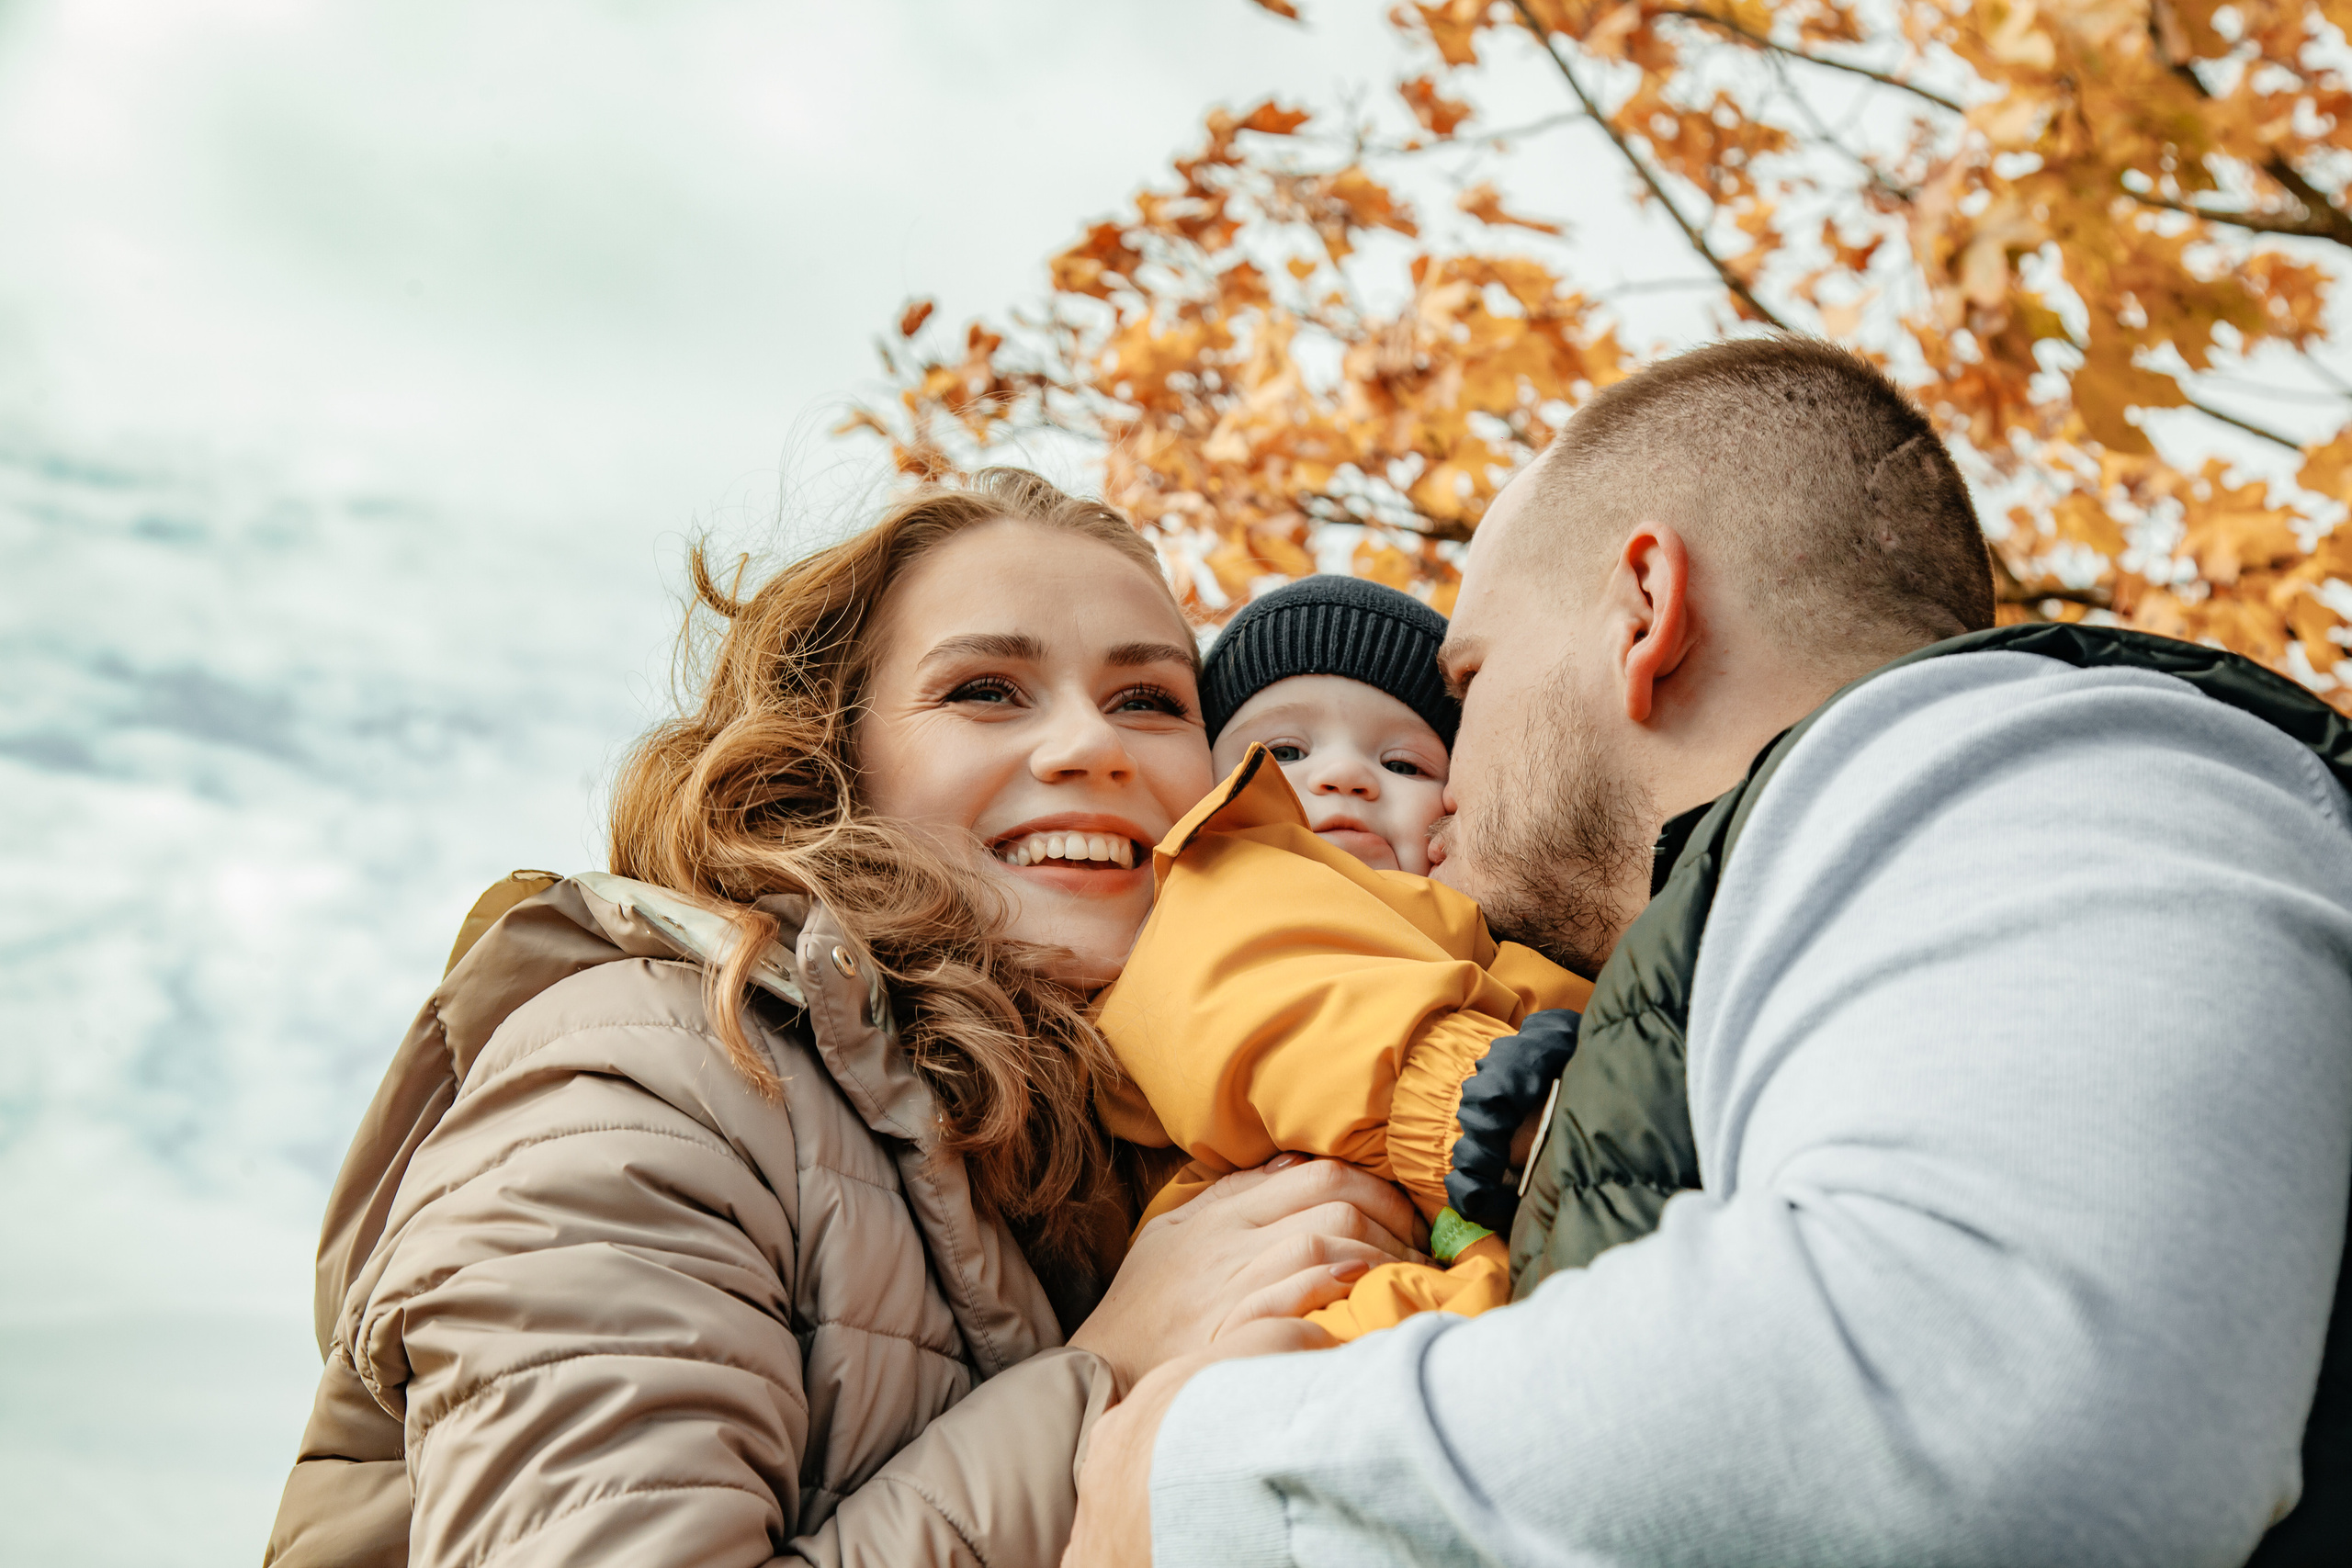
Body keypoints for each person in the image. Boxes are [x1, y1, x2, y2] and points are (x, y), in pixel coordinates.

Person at [1065, 338, 2352, 1566]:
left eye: (1471, 678)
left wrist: (1201, 1473)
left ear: (1645, 609)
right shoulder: (1762, 937)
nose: (1446, 784)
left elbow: (1984, 1408)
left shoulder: (2041, 762)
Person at [262, 468, 1428, 1568]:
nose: (1094, 746)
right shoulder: (643, 1080)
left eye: (1149, 699)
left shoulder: (1183, 1143)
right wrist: (1107, 1374)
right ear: (827, 763)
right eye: (985, 690)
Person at [1091, 575, 1589, 1338]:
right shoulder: (1222, 880)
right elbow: (1275, 998)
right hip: (1309, 1287)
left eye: (1405, 765)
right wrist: (1489, 1101)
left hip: (1482, 1265)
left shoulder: (1474, 927)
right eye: (1284, 749)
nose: (1345, 775)